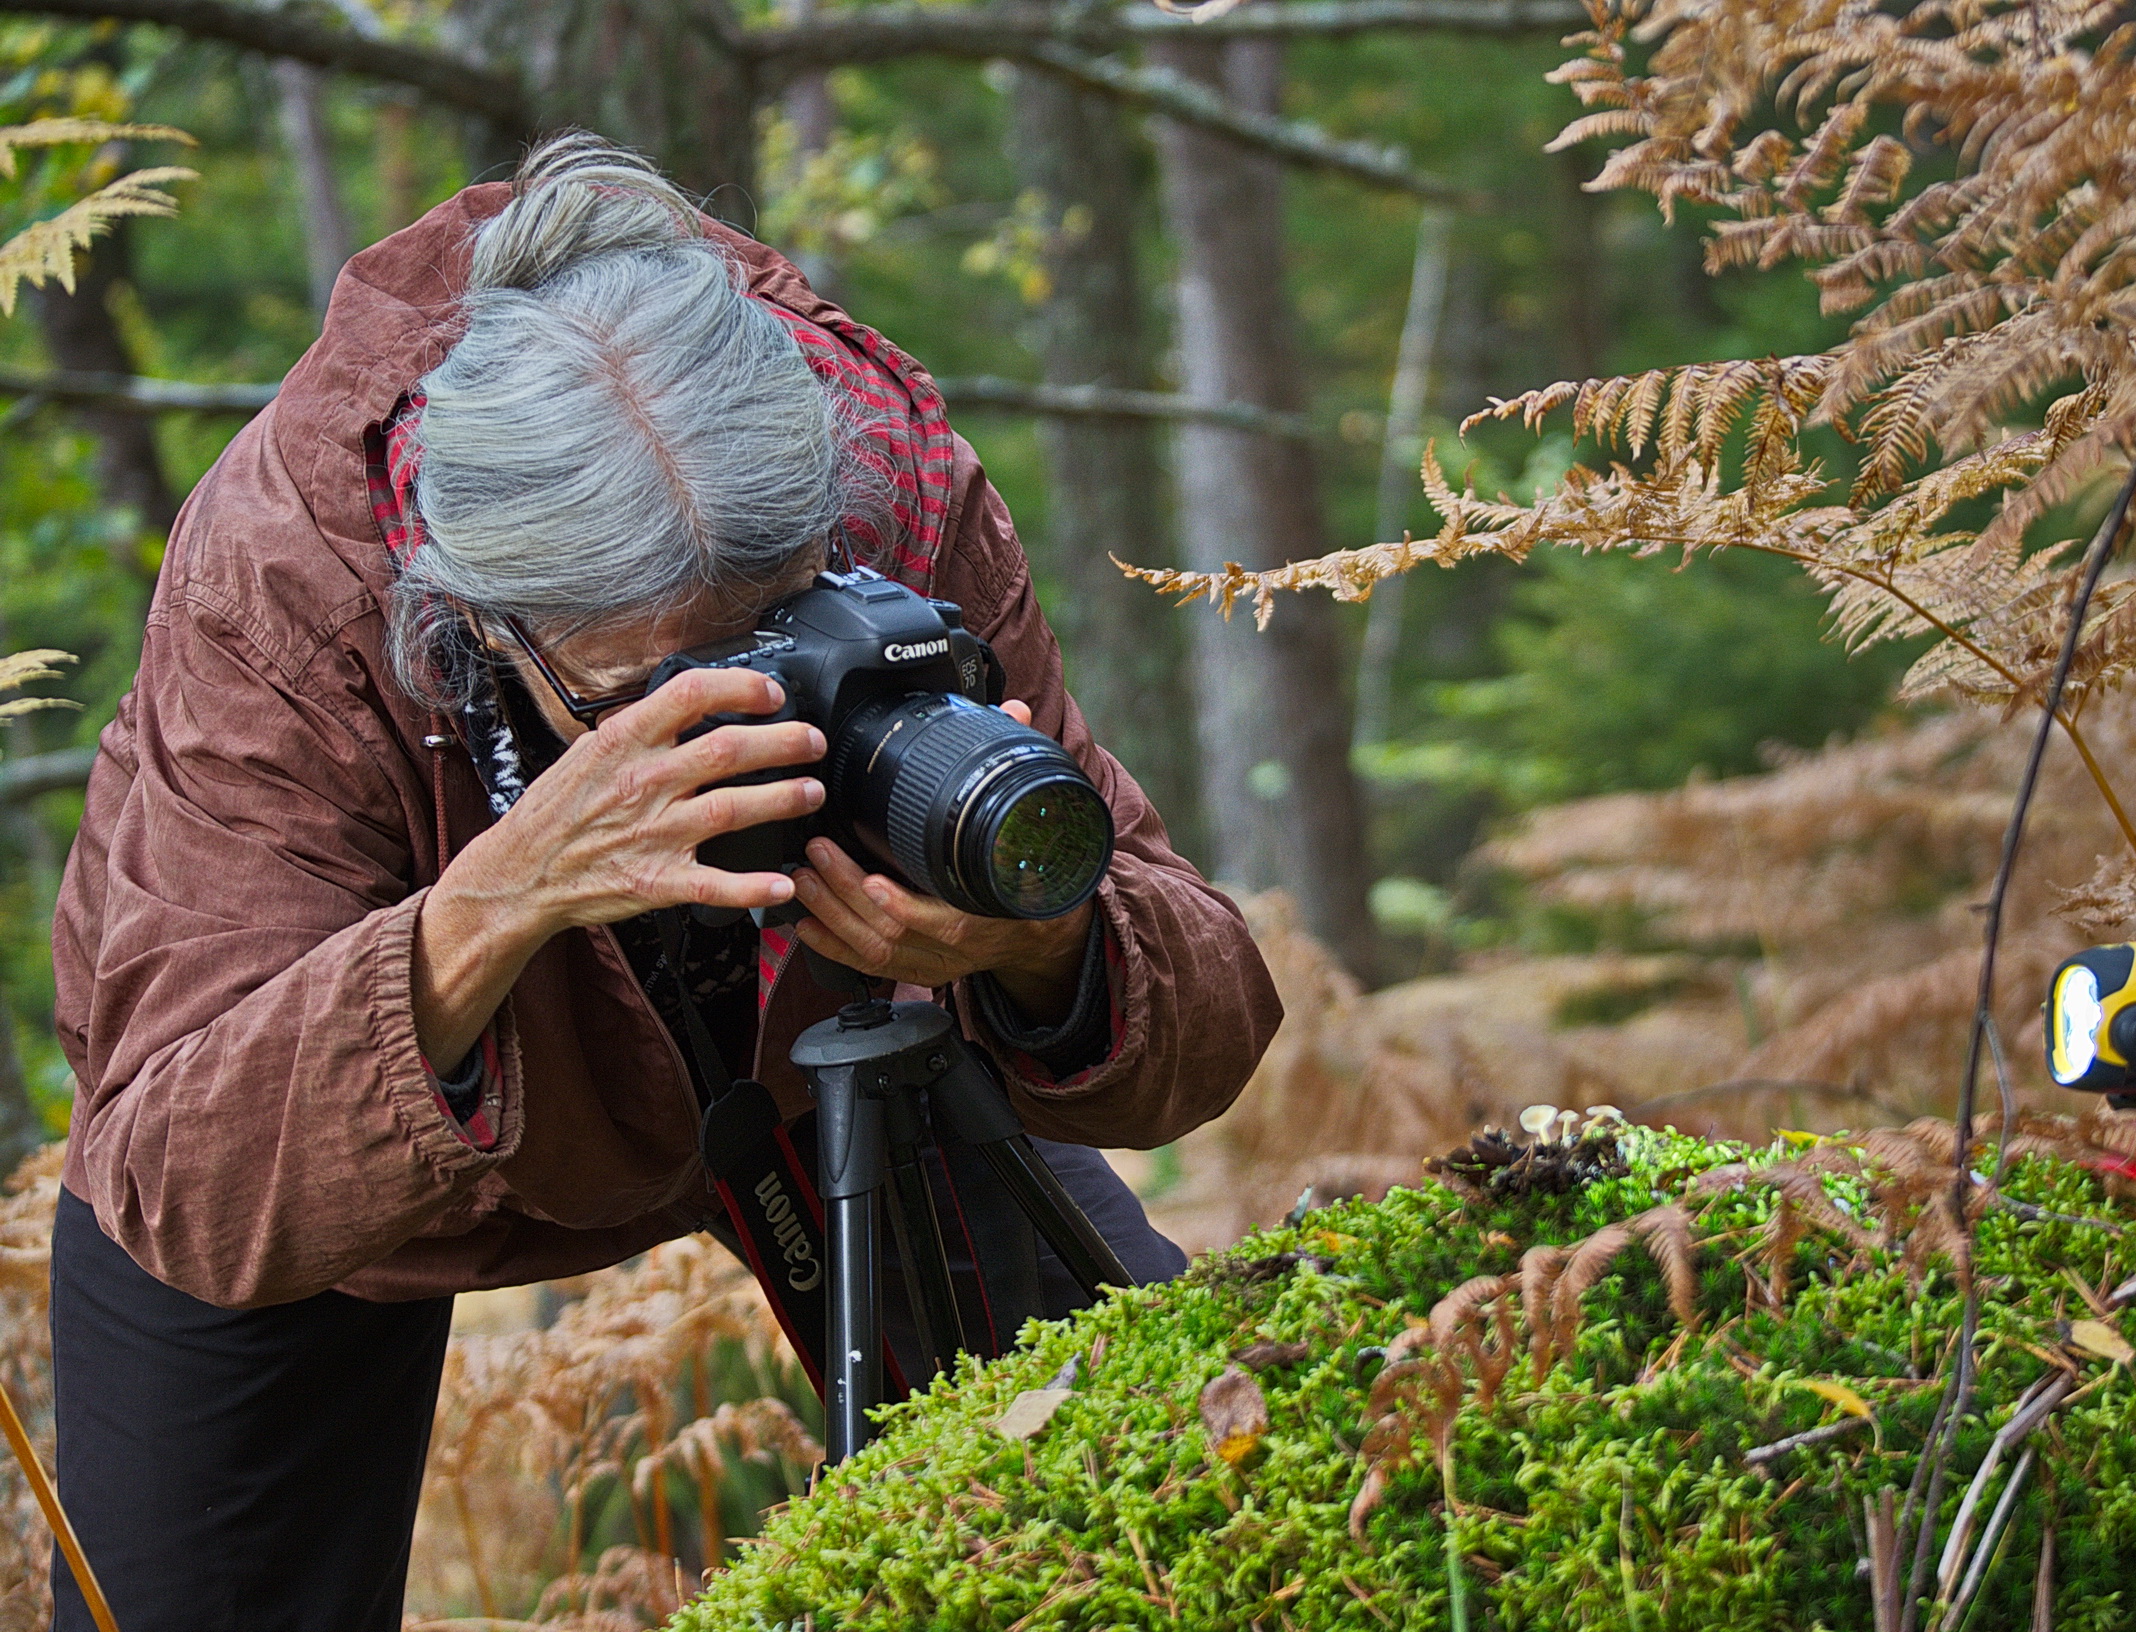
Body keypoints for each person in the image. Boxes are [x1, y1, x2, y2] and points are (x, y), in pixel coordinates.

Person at [44, 135, 1281, 1631]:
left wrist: (1034, 945)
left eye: (775, 634)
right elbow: (188, 1175)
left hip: (842, 1047)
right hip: (319, 1143)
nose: (727, 721)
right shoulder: (292, 583)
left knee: (1161, 1519)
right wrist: (497, 901)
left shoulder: (887, 480)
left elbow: (1201, 1014)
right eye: (644, 685)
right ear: (479, 616)